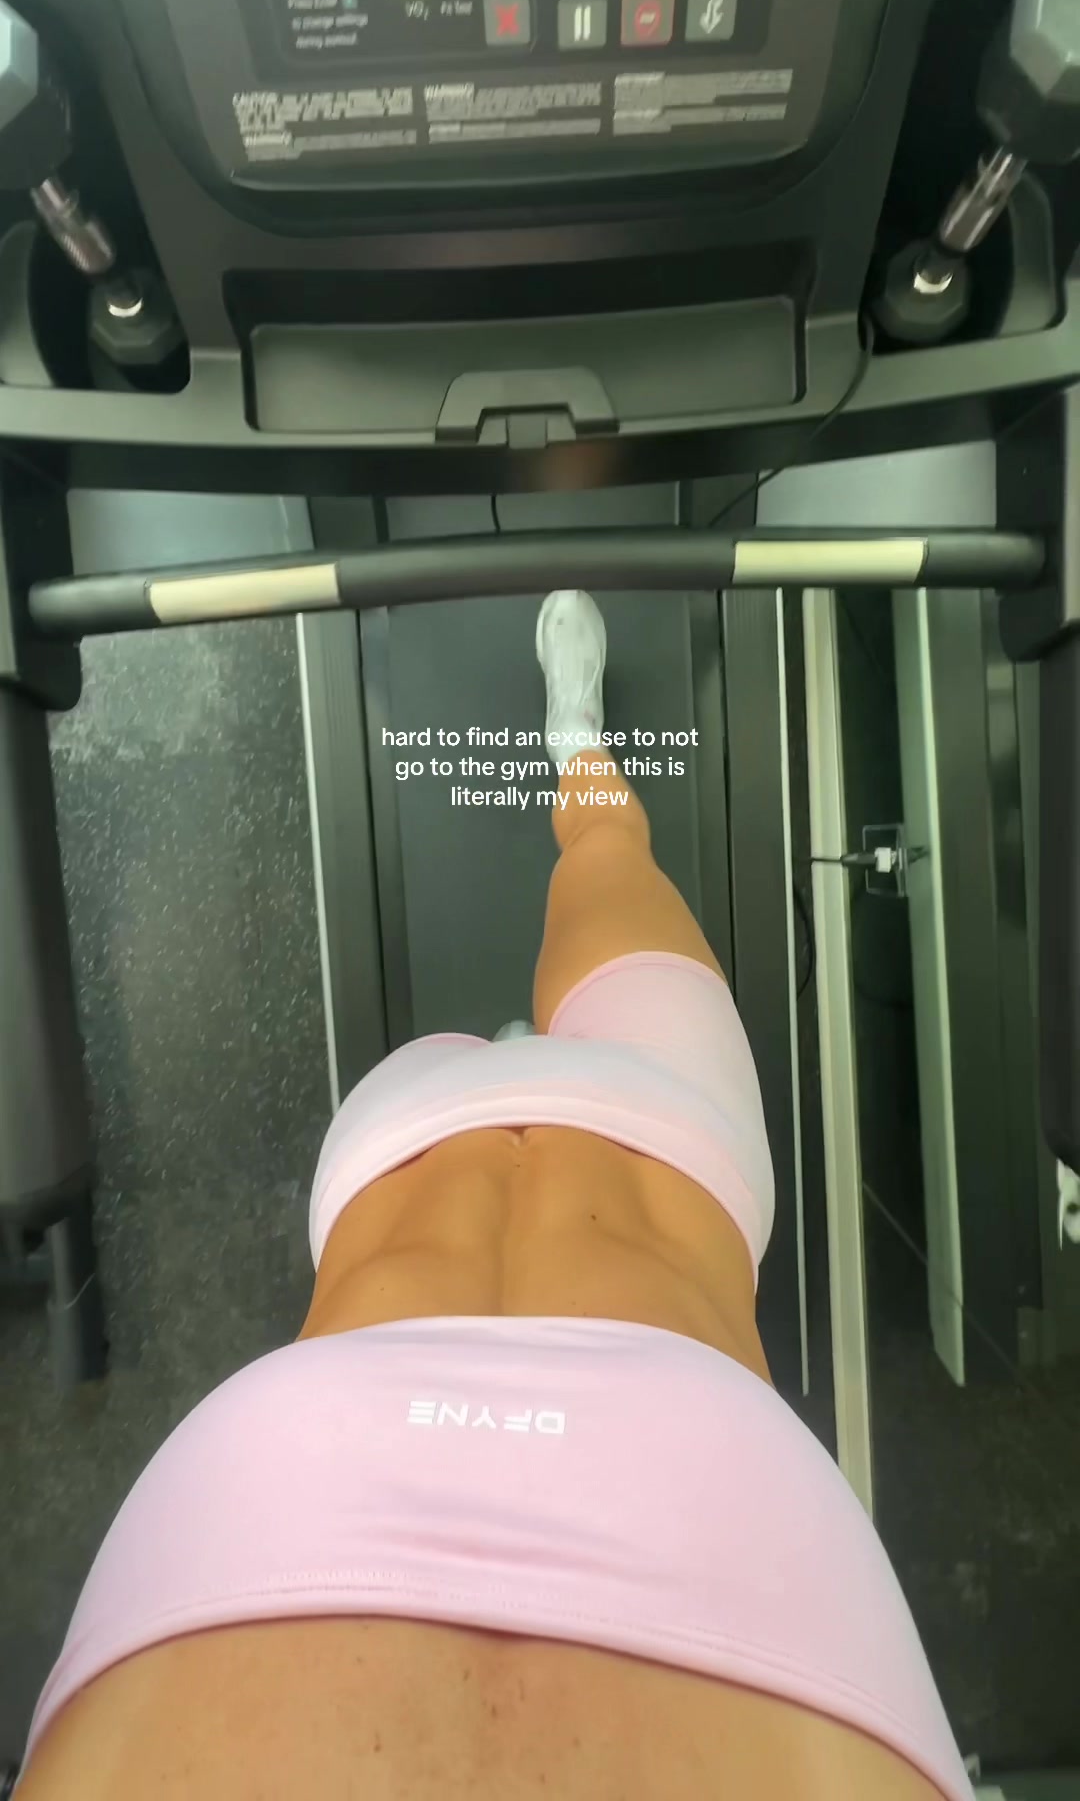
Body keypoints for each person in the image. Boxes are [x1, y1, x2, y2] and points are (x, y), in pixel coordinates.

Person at [16, 592, 973, 1800]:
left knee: (589, 881)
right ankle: (576, 744)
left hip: (362, 1383)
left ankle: (569, 791)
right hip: (520, 1220)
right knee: (605, 861)